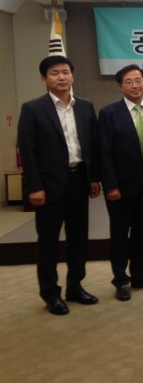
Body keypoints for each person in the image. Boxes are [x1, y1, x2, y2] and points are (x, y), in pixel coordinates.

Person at [17, 55, 101, 315]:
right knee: (48, 243)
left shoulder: (85, 106)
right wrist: (34, 187)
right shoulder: (32, 108)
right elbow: (27, 151)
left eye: (65, 72)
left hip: (79, 180)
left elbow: (92, 145)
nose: (62, 77)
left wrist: (94, 177)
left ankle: (75, 287)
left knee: (79, 240)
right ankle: (51, 294)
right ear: (44, 79)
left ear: (72, 76)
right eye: (55, 73)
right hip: (48, 185)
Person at [97, 64, 143, 301]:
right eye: (129, 81)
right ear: (120, 86)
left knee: (142, 232)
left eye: (138, 80)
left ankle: (139, 274)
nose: (135, 85)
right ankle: (121, 279)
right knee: (119, 234)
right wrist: (110, 185)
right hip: (120, 186)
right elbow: (104, 152)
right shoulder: (109, 113)